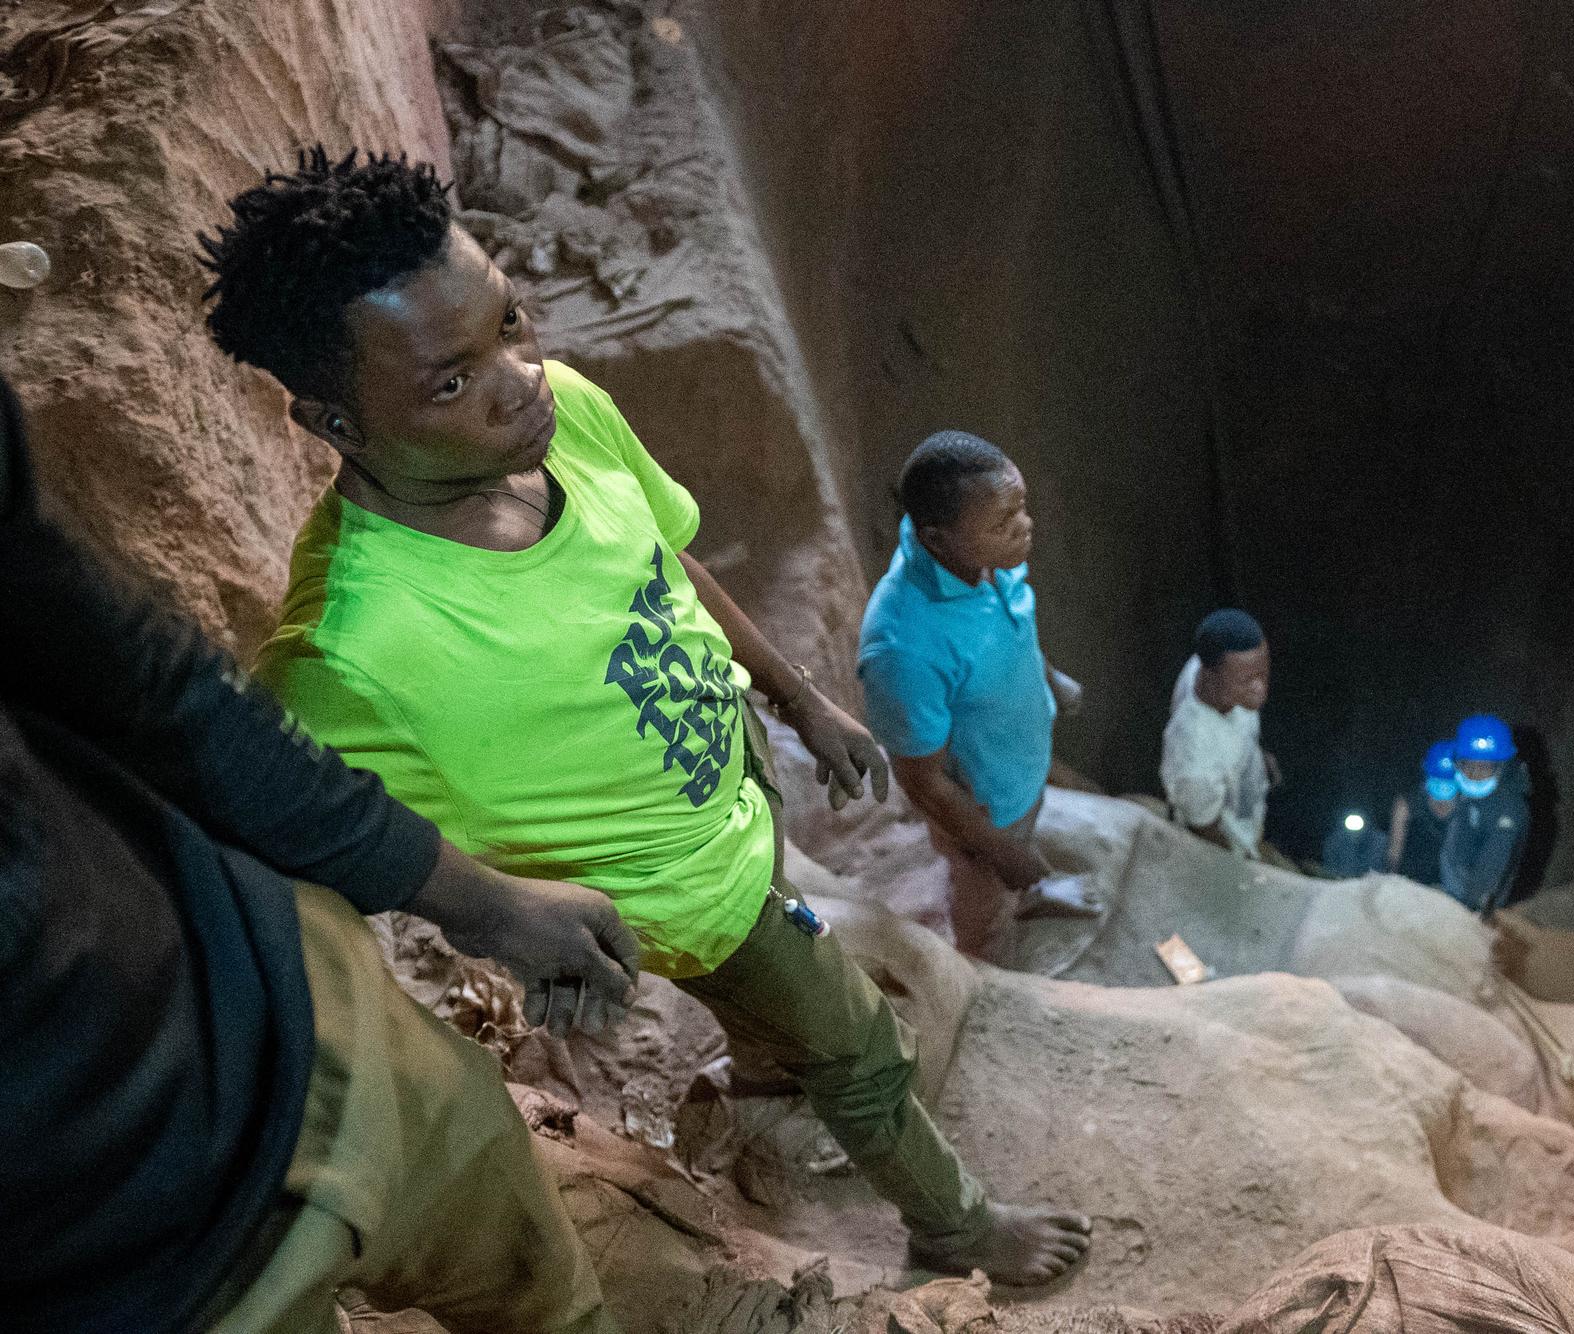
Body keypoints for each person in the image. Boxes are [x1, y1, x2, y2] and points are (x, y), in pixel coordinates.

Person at [210, 148, 1090, 1285]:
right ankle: (955, 1224)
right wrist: (489, 914)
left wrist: (795, 697)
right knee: (861, 1042)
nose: (519, 378)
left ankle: (768, 1057)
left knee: (787, 963)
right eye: (448, 382)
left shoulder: (564, 414)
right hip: (685, 900)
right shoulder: (353, 652)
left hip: (735, 786)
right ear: (333, 418)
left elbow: (663, 557)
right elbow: (299, 854)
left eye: (510, 324)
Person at [0, 368, 640, 1333]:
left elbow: (136, 673)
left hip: (292, 1005)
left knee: (550, 1287)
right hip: (140, 1286)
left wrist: (482, 902)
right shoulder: (346, 637)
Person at [858, 430, 1098, 959]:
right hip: (983, 815)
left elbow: (1008, 627)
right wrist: (1012, 860)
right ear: (938, 540)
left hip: (1017, 770)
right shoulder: (903, 645)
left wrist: (1049, 680)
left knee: (1023, 840)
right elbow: (923, 781)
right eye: (1004, 522)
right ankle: (984, 970)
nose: (1026, 527)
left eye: (1022, 508)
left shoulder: (985, 556)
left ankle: (1024, 893)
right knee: (982, 906)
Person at [1160, 609, 1278, 859]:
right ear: (1210, 676)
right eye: (1248, 680)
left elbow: (1239, 730)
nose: (1261, 690)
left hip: (1245, 794)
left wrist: (1258, 758)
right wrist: (1239, 857)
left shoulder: (1220, 674)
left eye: (1263, 673)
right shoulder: (1193, 760)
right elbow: (1204, 826)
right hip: (1229, 832)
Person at [1440, 714, 1531, 915]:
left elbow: (1493, 866)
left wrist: (1468, 909)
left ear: (1502, 767)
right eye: (1468, 765)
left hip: (1487, 895)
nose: (1474, 775)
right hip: (1455, 880)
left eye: (1484, 767)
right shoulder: (1463, 792)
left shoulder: (1509, 808)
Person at [1385, 739, 1456, 886]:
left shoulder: (1469, 808)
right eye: (1437, 778)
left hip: (1451, 888)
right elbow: (1395, 849)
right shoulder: (1407, 804)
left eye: (1448, 780)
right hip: (1411, 883)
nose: (1442, 786)